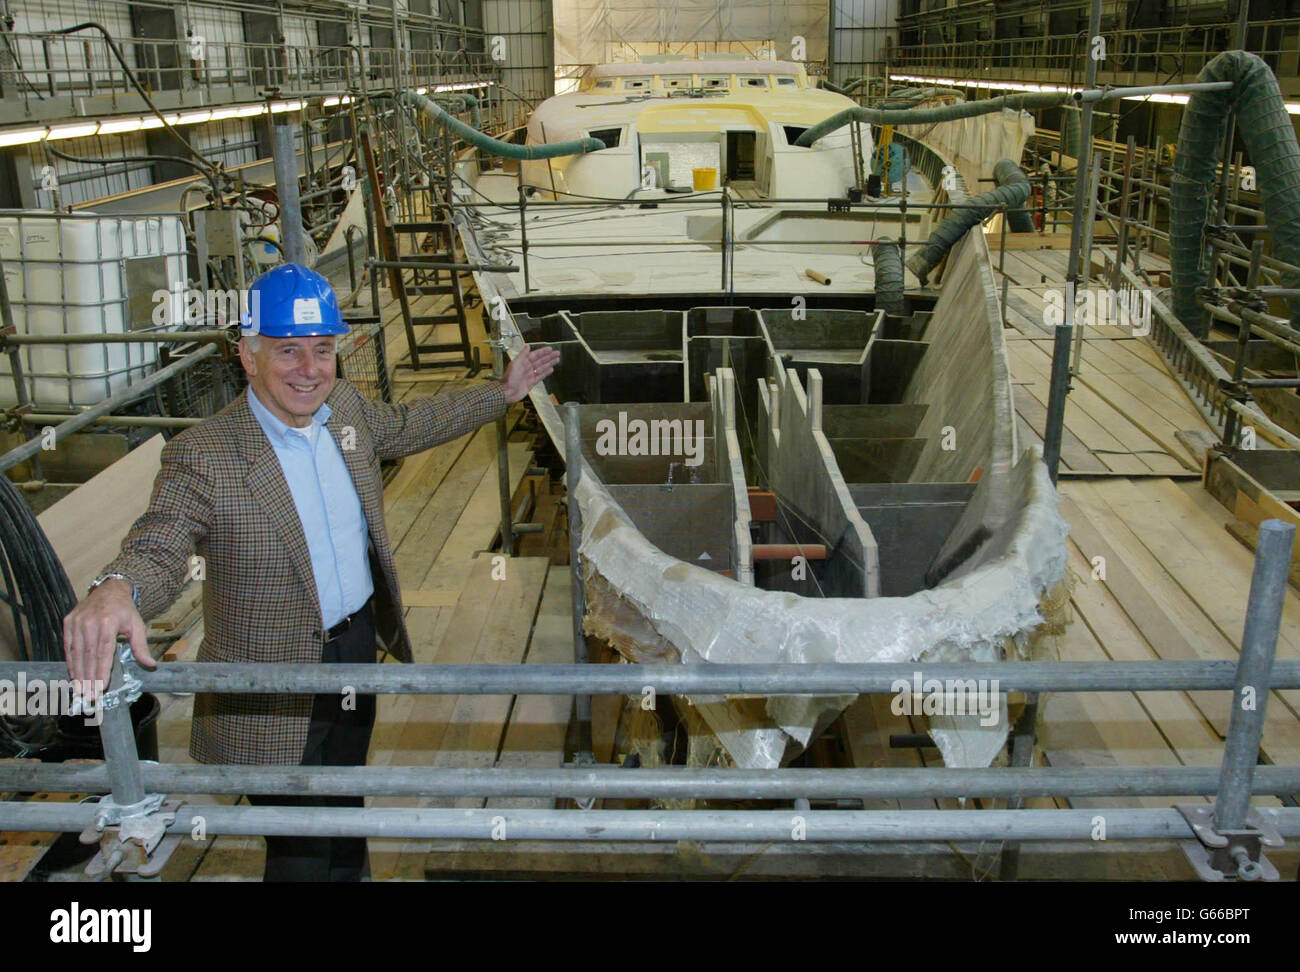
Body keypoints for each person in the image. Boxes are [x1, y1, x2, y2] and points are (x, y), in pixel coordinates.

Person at [61, 263, 558, 881]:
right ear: (247, 354)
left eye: (322, 350)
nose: (309, 369)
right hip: (272, 679)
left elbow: (409, 425)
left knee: (345, 804)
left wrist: (501, 394)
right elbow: (161, 539)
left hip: (352, 648)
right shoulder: (207, 454)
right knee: (298, 843)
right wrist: (117, 588)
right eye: (287, 350)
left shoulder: (345, 411)